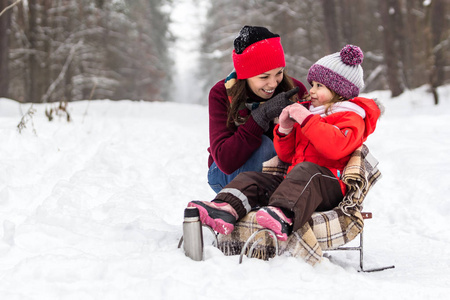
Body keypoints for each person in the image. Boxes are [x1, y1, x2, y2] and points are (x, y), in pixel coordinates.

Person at [189, 44, 382, 240]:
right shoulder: (312, 113)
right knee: (254, 179)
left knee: (307, 171)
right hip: (296, 183)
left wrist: (306, 120)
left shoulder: (350, 117)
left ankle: (283, 216)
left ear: (338, 90)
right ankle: (226, 207)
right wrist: (285, 130)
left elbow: (335, 147)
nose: (311, 91)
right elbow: (287, 155)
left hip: (328, 185)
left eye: (319, 86)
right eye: (312, 84)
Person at [206, 25, 308, 193]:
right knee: (265, 146)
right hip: (226, 172)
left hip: (278, 173)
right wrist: (261, 117)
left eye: (279, 73)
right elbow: (225, 161)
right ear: (245, 75)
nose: (273, 83)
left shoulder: (293, 89)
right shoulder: (221, 94)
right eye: (264, 77)